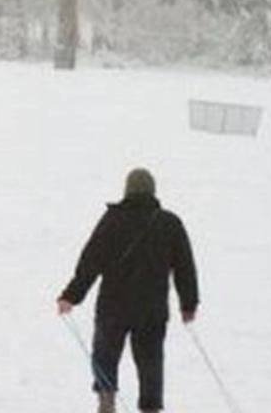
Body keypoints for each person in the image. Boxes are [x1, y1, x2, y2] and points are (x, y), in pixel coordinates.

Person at [56, 168, 199, 413]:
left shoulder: (112, 220)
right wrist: (189, 303)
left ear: (127, 191)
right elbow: (185, 267)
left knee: (105, 356)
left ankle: (106, 402)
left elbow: (90, 261)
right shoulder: (169, 223)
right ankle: (151, 408)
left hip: (113, 307)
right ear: (153, 191)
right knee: (151, 362)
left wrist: (71, 295)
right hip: (152, 310)